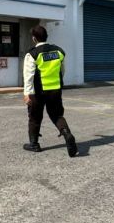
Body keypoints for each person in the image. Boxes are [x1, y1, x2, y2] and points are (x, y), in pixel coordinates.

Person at [22, 25, 78, 157]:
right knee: (57, 115)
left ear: (34, 38)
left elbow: (28, 76)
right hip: (55, 90)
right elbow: (62, 71)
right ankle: (67, 134)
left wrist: (27, 93)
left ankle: (34, 144)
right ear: (46, 36)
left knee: (35, 117)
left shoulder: (32, 54)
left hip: (38, 92)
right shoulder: (58, 51)